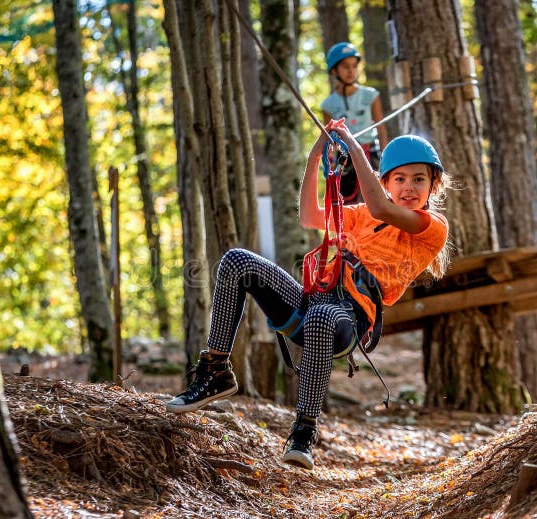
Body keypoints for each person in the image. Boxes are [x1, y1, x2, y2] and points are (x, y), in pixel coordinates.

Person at [166, 119, 450, 471]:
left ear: (433, 184)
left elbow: (381, 208)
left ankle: (304, 430)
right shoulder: (360, 216)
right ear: (386, 182)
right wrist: (316, 153)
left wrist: (353, 147)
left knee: (322, 317)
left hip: (350, 319)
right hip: (315, 301)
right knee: (237, 262)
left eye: (419, 179)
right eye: (400, 179)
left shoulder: (431, 227)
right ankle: (216, 371)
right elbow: (308, 216)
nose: (409, 187)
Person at [321, 42, 389, 203]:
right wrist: (329, 162)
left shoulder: (370, 95)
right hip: (345, 159)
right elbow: (329, 140)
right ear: (334, 70)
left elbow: (381, 128)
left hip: (370, 154)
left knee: (379, 198)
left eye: (354, 66)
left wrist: (386, 160)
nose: (351, 71)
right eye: (345, 66)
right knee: (348, 202)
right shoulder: (328, 105)